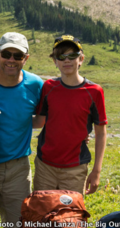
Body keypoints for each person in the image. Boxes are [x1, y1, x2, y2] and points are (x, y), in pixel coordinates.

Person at [0, 32, 44, 228]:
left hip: (18, 168)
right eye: (7, 54)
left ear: (26, 58)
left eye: (18, 56)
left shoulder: (35, 85)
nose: (11, 60)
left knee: (16, 226)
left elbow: (40, 120)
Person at [34, 35, 107, 195]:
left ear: (81, 59)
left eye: (72, 55)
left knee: (71, 217)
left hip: (76, 167)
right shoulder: (48, 87)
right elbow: (39, 120)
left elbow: (101, 133)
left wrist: (97, 170)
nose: (66, 60)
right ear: (55, 61)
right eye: (61, 56)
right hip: (45, 166)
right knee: (41, 214)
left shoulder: (94, 91)